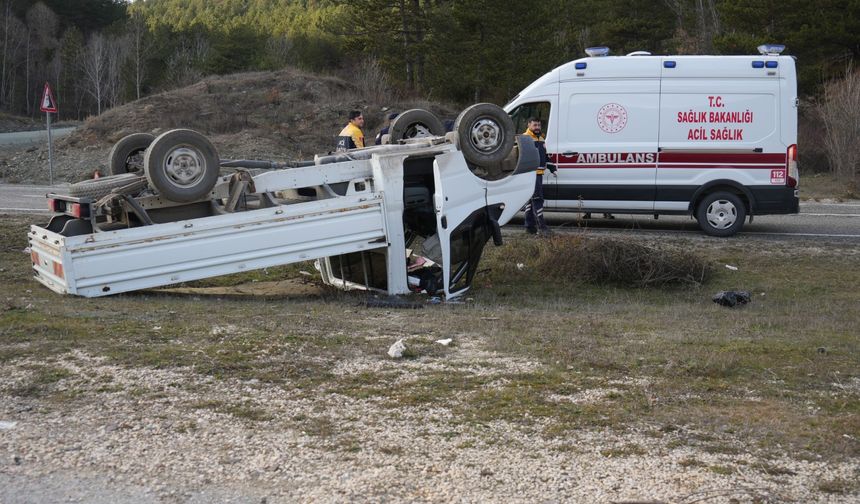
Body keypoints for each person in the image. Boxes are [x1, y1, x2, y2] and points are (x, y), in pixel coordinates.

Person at [523, 117, 555, 235]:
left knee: (531, 201)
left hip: (539, 173)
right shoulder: (525, 139)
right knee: (538, 199)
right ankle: (542, 228)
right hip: (531, 174)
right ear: (529, 125)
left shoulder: (541, 138)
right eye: (535, 125)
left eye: (539, 125)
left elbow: (545, 155)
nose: (537, 127)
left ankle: (529, 227)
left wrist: (552, 167)